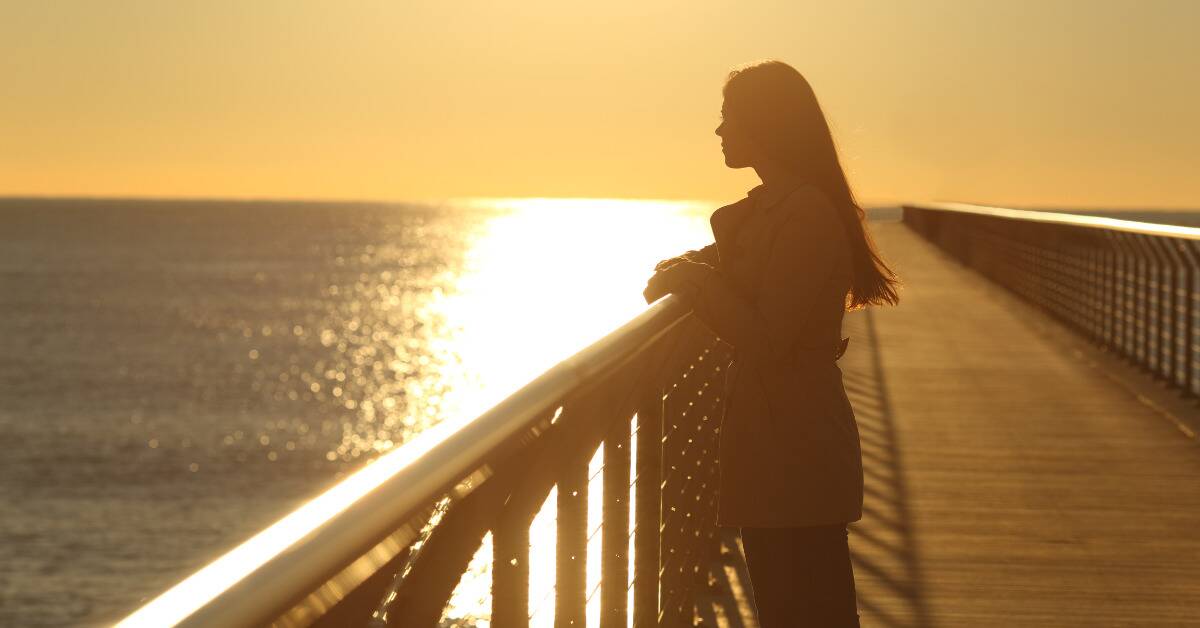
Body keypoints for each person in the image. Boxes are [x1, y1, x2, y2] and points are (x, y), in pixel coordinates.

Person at [643, 60, 901, 627]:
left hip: (797, 446)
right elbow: (738, 279)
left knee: (807, 610)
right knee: (790, 606)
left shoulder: (805, 213)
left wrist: (697, 279)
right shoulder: (772, 210)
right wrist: (690, 269)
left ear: (765, 122)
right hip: (775, 443)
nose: (719, 131)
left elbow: (767, 336)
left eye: (728, 116)